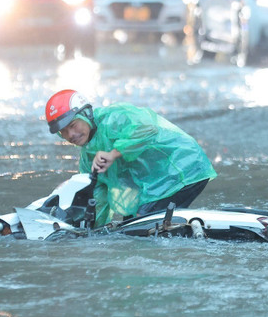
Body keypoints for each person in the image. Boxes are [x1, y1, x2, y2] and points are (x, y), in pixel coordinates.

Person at [45, 89, 217, 226]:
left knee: (144, 222)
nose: (71, 135)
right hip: (153, 186)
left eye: (73, 125)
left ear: (86, 114)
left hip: (183, 168)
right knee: (130, 227)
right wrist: (87, 230)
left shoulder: (114, 117)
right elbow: (97, 199)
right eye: (64, 132)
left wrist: (113, 154)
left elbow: (148, 129)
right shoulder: (87, 159)